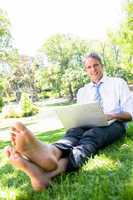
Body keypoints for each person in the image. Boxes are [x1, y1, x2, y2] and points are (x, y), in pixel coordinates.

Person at [5, 53, 133, 191]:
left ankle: (51, 173)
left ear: (102, 65)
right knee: (72, 134)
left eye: (96, 65)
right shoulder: (82, 91)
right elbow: (80, 114)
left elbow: (129, 114)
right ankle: (51, 153)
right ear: (85, 70)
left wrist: (110, 115)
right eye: (89, 67)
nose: (93, 69)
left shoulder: (118, 83)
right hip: (85, 124)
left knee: (91, 136)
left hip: (115, 124)